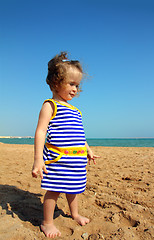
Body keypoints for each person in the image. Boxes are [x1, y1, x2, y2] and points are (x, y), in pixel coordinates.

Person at [32, 52, 99, 238]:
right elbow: (40, 132)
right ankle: (47, 222)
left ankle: (74, 213)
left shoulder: (76, 110)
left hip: (76, 160)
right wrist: (38, 160)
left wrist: (88, 150)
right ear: (55, 82)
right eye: (71, 84)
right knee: (54, 190)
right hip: (58, 159)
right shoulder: (50, 105)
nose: (75, 89)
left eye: (77, 85)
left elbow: (79, 135)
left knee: (74, 188)